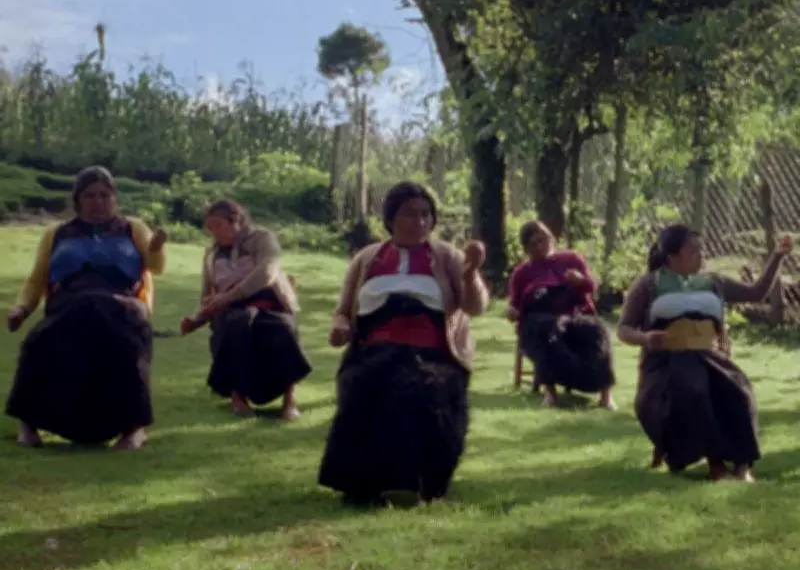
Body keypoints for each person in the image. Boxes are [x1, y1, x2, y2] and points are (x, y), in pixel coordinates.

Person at [318, 181, 489, 504]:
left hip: (433, 353)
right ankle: (360, 483)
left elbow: (475, 307)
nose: (420, 222)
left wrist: (470, 275)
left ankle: (421, 481)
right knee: (364, 388)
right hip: (374, 350)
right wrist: (339, 328)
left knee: (418, 390)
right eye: (410, 214)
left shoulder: (447, 256)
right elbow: (343, 311)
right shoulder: (368, 258)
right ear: (390, 219)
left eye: (426, 215)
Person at [5, 165, 166, 449]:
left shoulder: (133, 228)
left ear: (114, 197)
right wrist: (21, 309)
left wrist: (155, 248)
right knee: (39, 341)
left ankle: (134, 429)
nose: (98, 202)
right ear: (78, 199)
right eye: (90, 195)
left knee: (126, 345)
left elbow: (155, 267)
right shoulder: (57, 233)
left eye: (104, 195)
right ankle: (28, 426)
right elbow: (37, 279)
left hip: (122, 306)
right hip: (70, 306)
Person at [617, 224, 792, 482]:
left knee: (739, 391)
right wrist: (645, 338)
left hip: (709, 359)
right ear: (672, 256)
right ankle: (716, 466)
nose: (701, 255)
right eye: (693, 251)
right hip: (665, 364)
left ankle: (742, 464)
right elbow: (623, 329)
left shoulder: (713, 282)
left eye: (702, 250)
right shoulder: (648, 285)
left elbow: (756, 292)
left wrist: (777, 256)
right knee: (693, 389)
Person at [180, 199, 311, 420]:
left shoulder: (262, 239)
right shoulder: (211, 253)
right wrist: (196, 319)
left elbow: (267, 272)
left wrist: (229, 295)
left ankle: (289, 399)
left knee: (281, 327)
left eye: (218, 225)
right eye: (209, 227)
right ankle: (238, 396)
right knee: (238, 324)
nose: (214, 232)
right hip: (229, 309)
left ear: (236, 221)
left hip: (268, 301)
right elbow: (207, 294)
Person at [507, 220, 615, 409]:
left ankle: (605, 394)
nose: (540, 247)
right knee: (545, 330)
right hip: (541, 322)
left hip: (575, 317)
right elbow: (515, 307)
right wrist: (512, 312)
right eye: (533, 244)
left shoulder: (572, 259)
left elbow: (591, 287)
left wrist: (580, 280)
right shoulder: (522, 273)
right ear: (526, 249)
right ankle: (550, 393)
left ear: (551, 239)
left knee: (596, 330)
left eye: (542, 240)